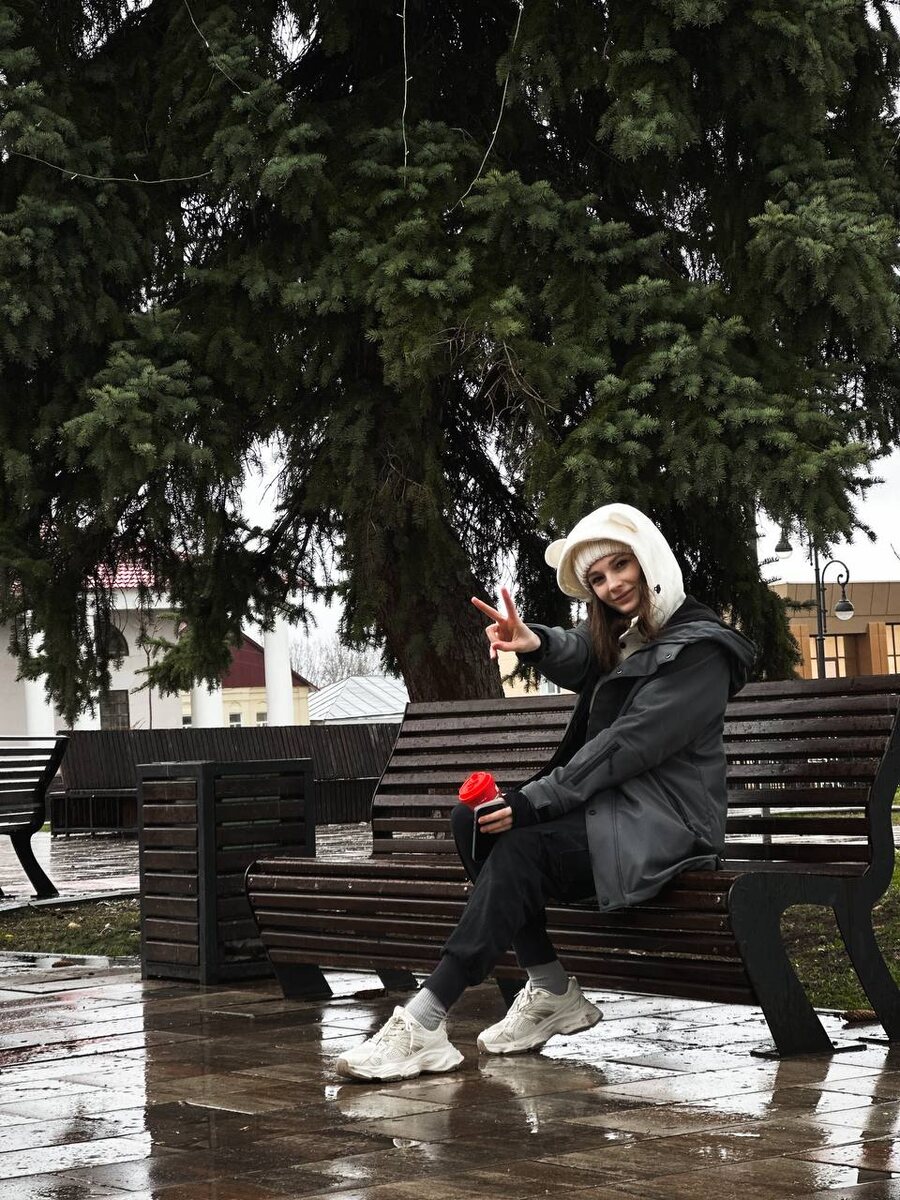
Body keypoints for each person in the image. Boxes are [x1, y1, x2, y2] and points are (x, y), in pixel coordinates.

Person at [336, 502, 756, 1082]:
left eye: (621, 565)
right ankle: (552, 989)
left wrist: (534, 801)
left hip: (668, 826)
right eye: (598, 579)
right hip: (613, 812)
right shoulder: (626, 635)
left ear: (651, 560)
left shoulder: (702, 651)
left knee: (520, 845)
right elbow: (583, 651)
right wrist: (533, 641)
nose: (613, 585)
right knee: (474, 821)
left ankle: (425, 1020)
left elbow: (629, 744)